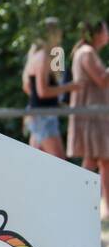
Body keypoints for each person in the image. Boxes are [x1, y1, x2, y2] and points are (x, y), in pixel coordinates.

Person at [67, 18, 109, 218]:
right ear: (97, 34)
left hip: (95, 114)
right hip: (92, 116)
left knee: (99, 160)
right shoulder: (87, 53)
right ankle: (81, 204)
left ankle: (88, 205)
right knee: (97, 160)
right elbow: (101, 80)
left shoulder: (87, 52)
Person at [22, 18, 79, 157]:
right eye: (58, 32)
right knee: (60, 162)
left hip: (40, 113)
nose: (61, 35)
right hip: (43, 115)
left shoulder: (49, 54)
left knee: (37, 161)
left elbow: (28, 87)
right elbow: (43, 91)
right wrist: (70, 87)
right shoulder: (42, 57)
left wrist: (57, 100)